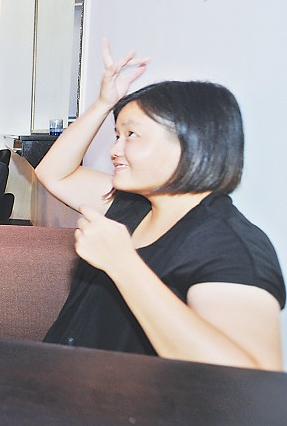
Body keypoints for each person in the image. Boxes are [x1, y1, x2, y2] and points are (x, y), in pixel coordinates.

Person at [36, 40, 285, 371]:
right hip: (60, 380)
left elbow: (252, 379)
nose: (115, 150)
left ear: (192, 143)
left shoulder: (231, 247)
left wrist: (124, 264)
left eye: (132, 135)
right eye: (117, 135)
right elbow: (54, 174)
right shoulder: (133, 206)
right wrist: (103, 103)